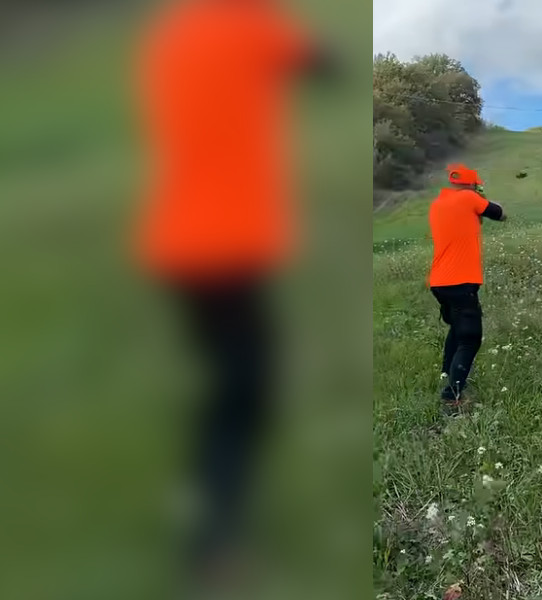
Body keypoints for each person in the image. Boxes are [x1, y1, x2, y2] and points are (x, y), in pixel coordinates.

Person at [134, 0, 334, 584]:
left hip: (178, 238)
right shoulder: (251, 26)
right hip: (229, 245)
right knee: (243, 391)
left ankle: (202, 500)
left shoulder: (173, 31)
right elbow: (324, 63)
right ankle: (212, 539)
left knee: (229, 384)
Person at [428, 163, 507, 415]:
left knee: (456, 328)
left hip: (439, 281)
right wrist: (482, 197)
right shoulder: (470, 198)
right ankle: (452, 396)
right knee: (470, 337)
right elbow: (500, 214)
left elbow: (473, 223)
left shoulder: (438, 204)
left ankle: (446, 371)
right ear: (473, 184)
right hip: (460, 281)